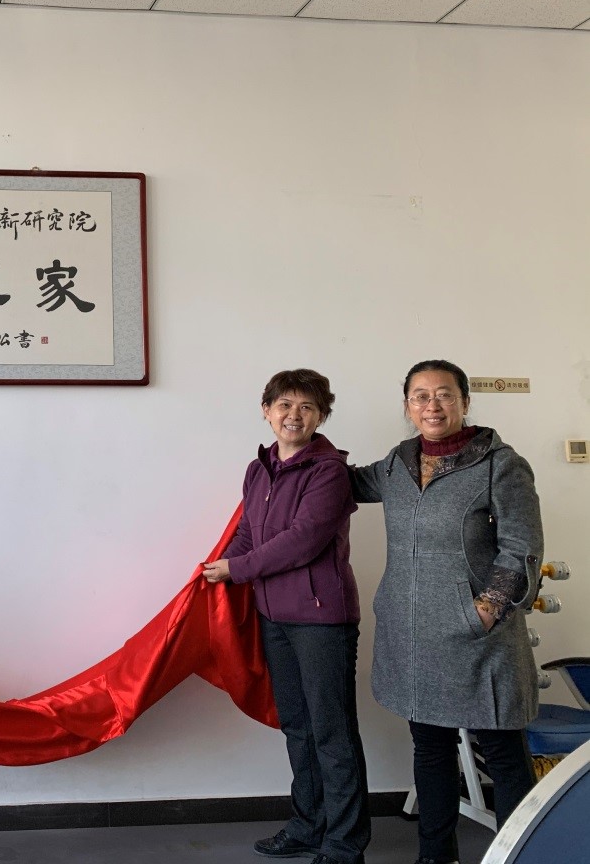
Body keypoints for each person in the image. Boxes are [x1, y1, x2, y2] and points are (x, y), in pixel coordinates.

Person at [353, 360, 542, 864]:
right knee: (431, 749)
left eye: (444, 394)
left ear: (464, 401)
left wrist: (485, 610)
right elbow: (340, 484)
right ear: (407, 405)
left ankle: (522, 855)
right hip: (414, 634)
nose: (432, 405)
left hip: (480, 637)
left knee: (502, 754)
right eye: (421, 396)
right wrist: (296, 450)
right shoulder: (396, 464)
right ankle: (436, 856)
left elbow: (521, 547)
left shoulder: (501, 464)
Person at [203, 369, 370, 864]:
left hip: (322, 621)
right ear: (266, 410)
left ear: (321, 416)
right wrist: (218, 568)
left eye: (307, 407)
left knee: (332, 731)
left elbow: (303, 541)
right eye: (284, 405)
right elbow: (249, 534)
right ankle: (307, 826)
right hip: (273, 617)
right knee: (297, 725)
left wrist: (237, 570)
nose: (294, 415)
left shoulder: (329, 472)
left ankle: (344, 845)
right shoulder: (258, 470)